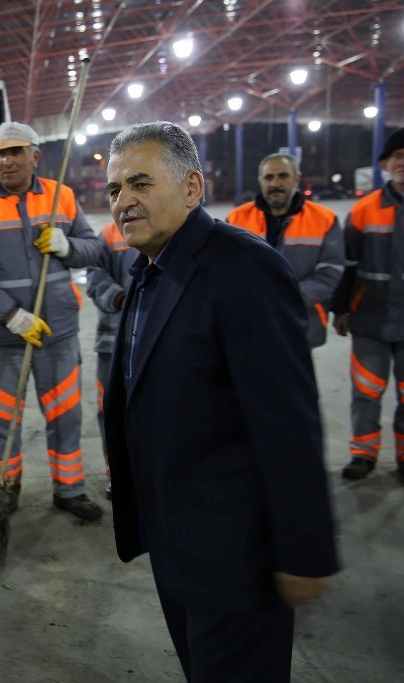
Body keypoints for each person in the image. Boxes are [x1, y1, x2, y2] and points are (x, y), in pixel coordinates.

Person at [102, 122, 338, 682]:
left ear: (192, 188)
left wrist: (304, 551)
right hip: (176, 543)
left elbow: (288, 422)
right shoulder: (147, 270)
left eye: (140, 183)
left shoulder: (244, 269)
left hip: (237, 557)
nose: (124, 201)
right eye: (114, 190)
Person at [0, 121, 103, 521]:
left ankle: (69, 489)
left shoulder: (61, 198)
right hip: (2, 337)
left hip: (57, 333)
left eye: (16, 152)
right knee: (3, 419)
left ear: (35, 156)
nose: (7, 160)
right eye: (1, 153)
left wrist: (67, 245)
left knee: (65, 415)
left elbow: (94, 249)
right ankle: (6, 490)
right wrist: (11, 315)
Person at [332, 127, 404, 488]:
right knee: (366, 391)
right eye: (397, 156)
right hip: (371, 317)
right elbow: (347, 264)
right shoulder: (363, 210)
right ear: (385, 164)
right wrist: (341, 309)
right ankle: (364, 453)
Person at [226, 153, 344, 348]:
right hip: (250, 321)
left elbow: (331, 270)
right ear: (260, 181)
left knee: (295, 377)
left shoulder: (324, 219)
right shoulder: (237, 219)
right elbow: (225, 270)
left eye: (283, 176)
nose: (275, 183)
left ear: (296, 179)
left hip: (301, 321)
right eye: (269, 177)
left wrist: (287, 298)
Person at [86, 221, 137, 500]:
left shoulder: (176, 225)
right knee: (113, 412)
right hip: (115, 342)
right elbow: (94, 275)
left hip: (163, 340)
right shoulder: (108, 234)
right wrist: (120, 298)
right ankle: (117, 475)